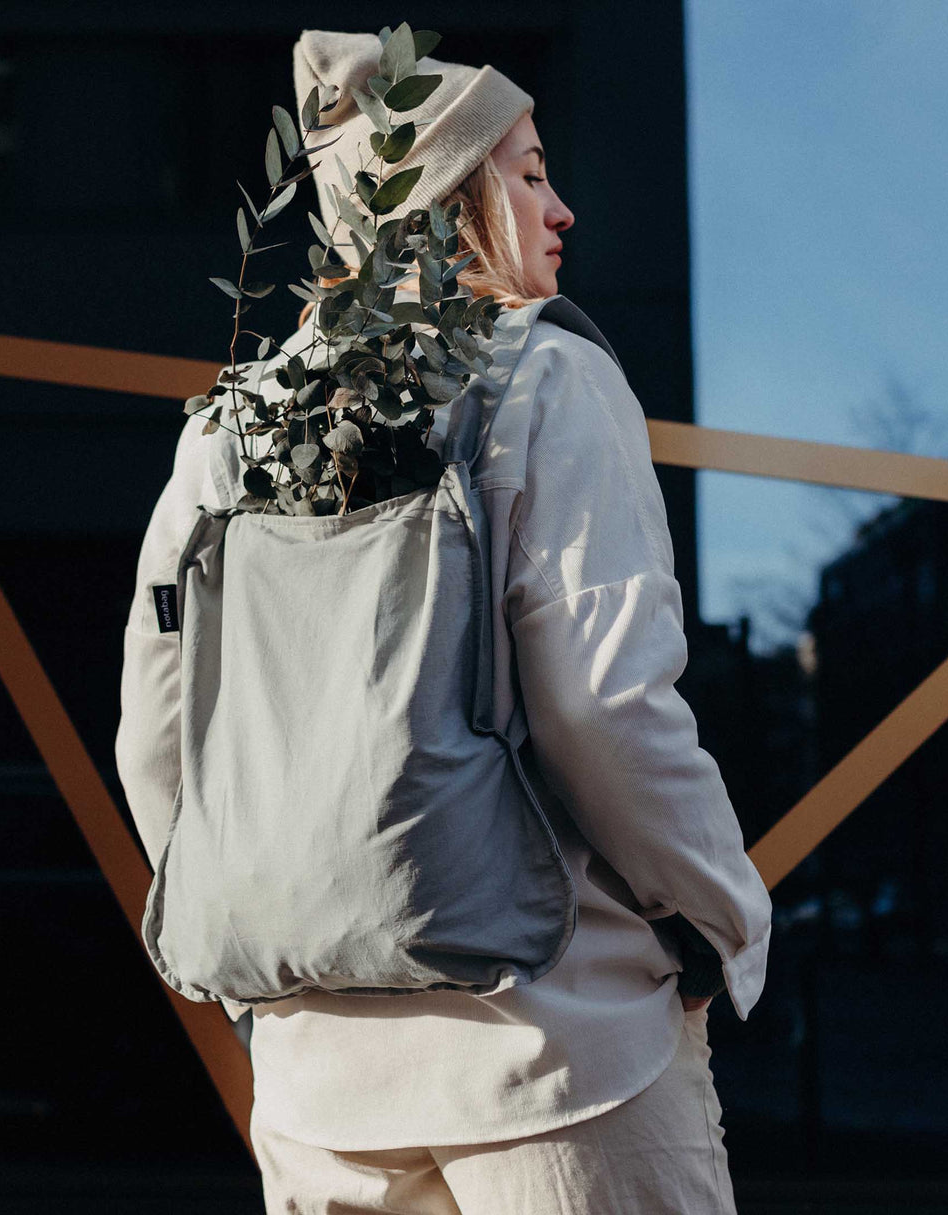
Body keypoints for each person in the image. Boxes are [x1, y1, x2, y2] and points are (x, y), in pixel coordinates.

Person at [115, 28, 773, 1214]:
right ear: (452, 200)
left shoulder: (226, 428)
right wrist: (723, 918)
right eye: (528, 174)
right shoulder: (545, 377)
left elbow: (162, 743)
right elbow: (605, 701)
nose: (561, 208)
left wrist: (272, 954)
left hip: (318, 1095)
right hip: (558, 1065)